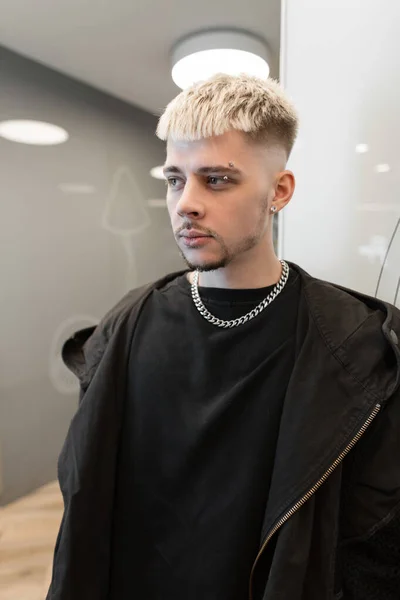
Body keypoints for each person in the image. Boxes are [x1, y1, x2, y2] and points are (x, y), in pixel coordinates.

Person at [46, 74, 400, 600]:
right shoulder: (126, 328)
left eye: (216, 180)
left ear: (279, 191)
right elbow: (87, 508)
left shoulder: (357, 345)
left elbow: (372, 543)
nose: (185, 203)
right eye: (174, 179)